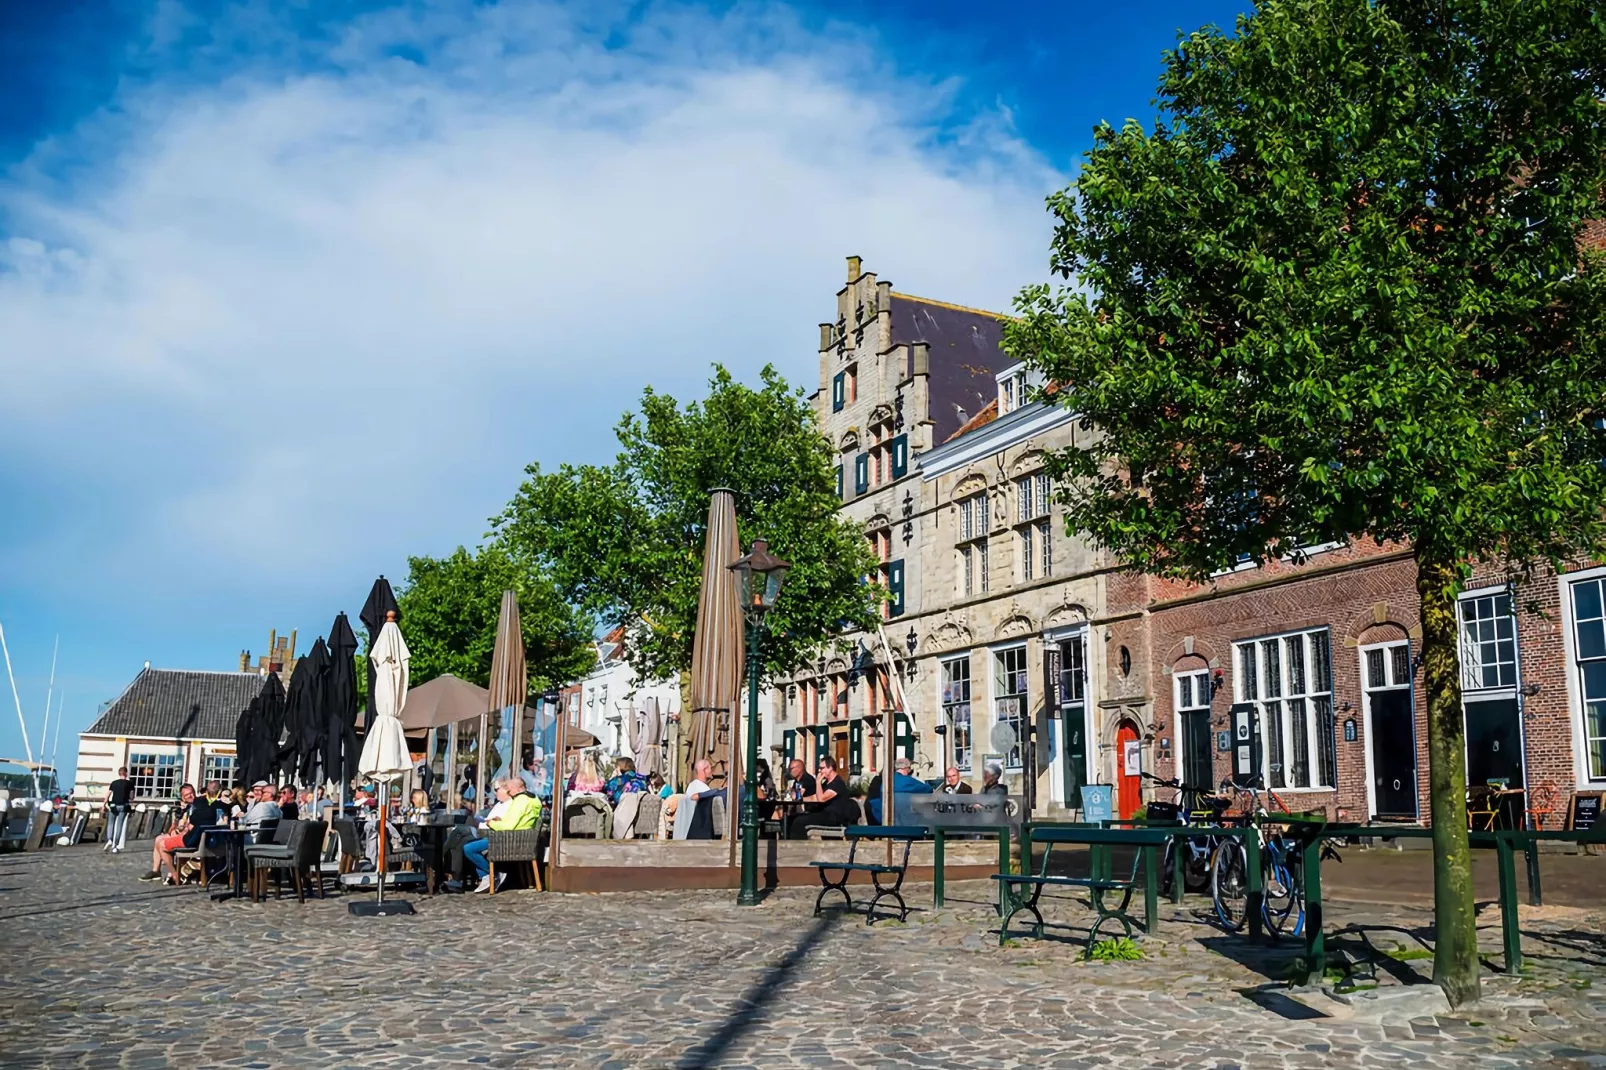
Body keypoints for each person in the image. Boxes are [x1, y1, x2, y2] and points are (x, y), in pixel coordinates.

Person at [463, 776, 541, 892]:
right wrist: (500, 820)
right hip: (522, 839)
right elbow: (518, 822)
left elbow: (508, 827)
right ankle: (489, 876)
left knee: (469, 848)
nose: (509, 792)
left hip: (508, 840)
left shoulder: (520, 802)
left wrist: (491, 823)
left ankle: (491, 874)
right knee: (471, 843)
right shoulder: (533, 799)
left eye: (509, 789)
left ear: (517, 788)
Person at [787, 756, 858, 839]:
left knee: (799, 822)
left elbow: (821, 799)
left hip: (834, 816)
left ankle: (797, 847)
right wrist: (800, 799)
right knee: (794, 819)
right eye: (819, 768)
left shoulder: (837, 783)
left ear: (830, 768)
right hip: (825, 814)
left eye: (822, 768)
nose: (819, 771)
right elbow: (815, 797)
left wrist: (818, 782)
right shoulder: (827, 783)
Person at [142, 784, 197, 883]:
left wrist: (181, 829)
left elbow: (192, 825)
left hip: (190, 836)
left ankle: (173, 873)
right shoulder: (187, 808)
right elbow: (178, 824)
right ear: (182, 797)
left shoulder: (197, 806)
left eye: (191, 793)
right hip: (183, 833)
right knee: (158, 838)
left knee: (163, 843)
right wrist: (178, 827)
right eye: (186, 795)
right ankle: (156, 871)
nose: (190, 796)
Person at [866, 758, 934, 824]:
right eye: (909, 769)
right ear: (905, 769)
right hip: (909, 818)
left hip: (889, 818)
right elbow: (928, 789)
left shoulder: (886, 782)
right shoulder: (909, 781)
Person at [103, 766, 133, 853]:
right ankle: (115, 845)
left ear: (119, 773)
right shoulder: (130, 784)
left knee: (110, 823)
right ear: (126, 773)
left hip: (113, 805)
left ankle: (109, 839)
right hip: (123, 805)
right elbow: (132, 797)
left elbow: (107, 795)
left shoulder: (114, 783)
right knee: (119, 825)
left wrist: (104, 804)